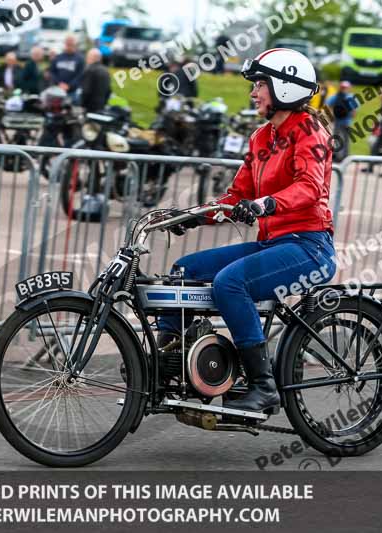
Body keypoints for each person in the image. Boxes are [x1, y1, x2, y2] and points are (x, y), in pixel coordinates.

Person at [156, 48, 336, 413]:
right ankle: (166, 366)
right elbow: (237, 195)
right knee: (183, 271)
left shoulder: (309, 132)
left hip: (309, 247)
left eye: (260, 85)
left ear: (285, 88)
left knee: (229, 282)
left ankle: (263, 385)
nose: (253, 93)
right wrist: (192, 216)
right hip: (272, 243)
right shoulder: (261, 138)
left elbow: (309, 187)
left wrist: (266, 203)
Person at [325, 81, 358, 162]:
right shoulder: (350, 97)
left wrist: (331, 115)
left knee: (336, 139)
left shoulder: (335, 96)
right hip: (347, 122)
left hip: (337, 121)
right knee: (346, 140)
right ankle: (345, 157)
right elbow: (354, 112)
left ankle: (336, 156)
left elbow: (327, 104)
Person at [79, 48, 111, 113]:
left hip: (89, 107)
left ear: (91, 58)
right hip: (101, 105)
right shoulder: (106, 71)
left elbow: (86, 91)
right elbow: (109, 90)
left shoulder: (89, 70)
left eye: (87, 57)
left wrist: (82, 105)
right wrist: (104, 103)